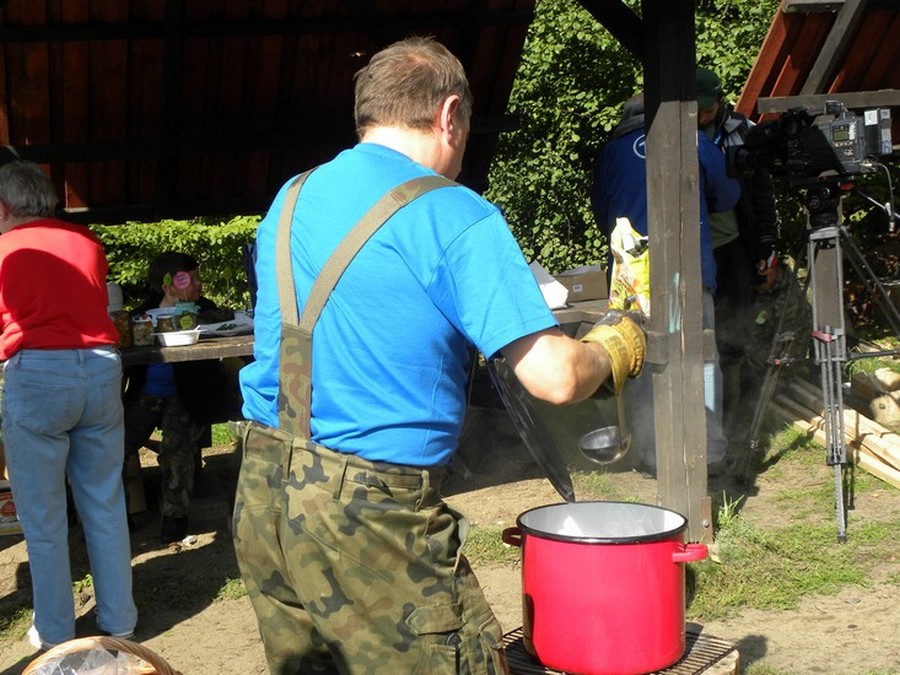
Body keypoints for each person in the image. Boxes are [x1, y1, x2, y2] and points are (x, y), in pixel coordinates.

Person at [234, 36, 645, 674]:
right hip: (372, 511)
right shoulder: (452, 212)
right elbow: (555, 378)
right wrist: (614, 347)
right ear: (450, 114)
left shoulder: (291, 196)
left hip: (264, 492)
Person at [0, 160, 137, 649]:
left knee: (44, 516)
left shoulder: (5, 248)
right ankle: (120, 622)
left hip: (37, 373)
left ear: (4, 206)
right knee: (104, 502)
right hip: (99, 368)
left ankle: (56, 631)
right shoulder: (87, 242)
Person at [591, 92, 741, 476]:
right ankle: (709, 452)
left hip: (633, 277)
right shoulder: (695, 141)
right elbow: (727, 196)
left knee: (640, 359)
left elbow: (602, 213)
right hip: (688, 269)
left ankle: (653, 453)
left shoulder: (612, 152)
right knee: (701, 355)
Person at [123, 251, 241, 544]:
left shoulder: (206, 311)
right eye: (190, 279)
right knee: (112, 446)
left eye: (198, 277)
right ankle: (116, 515)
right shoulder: (141, 316)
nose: (199, 284)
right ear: (168, 285)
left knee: (177, 451)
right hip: (145, 396)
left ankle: (175, 520)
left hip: (187, 397)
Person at [696, 67, 780, 440]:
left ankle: (733, 420)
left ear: (720, 100)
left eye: (707, 108)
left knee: (733, 335)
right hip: (693, 252)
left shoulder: (742, 131)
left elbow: (761, 192)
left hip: (732, 248)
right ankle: (702, 420)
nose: (702, 116)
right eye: (696, 109)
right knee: (700, 341)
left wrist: (767, 247)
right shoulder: (670, 131)